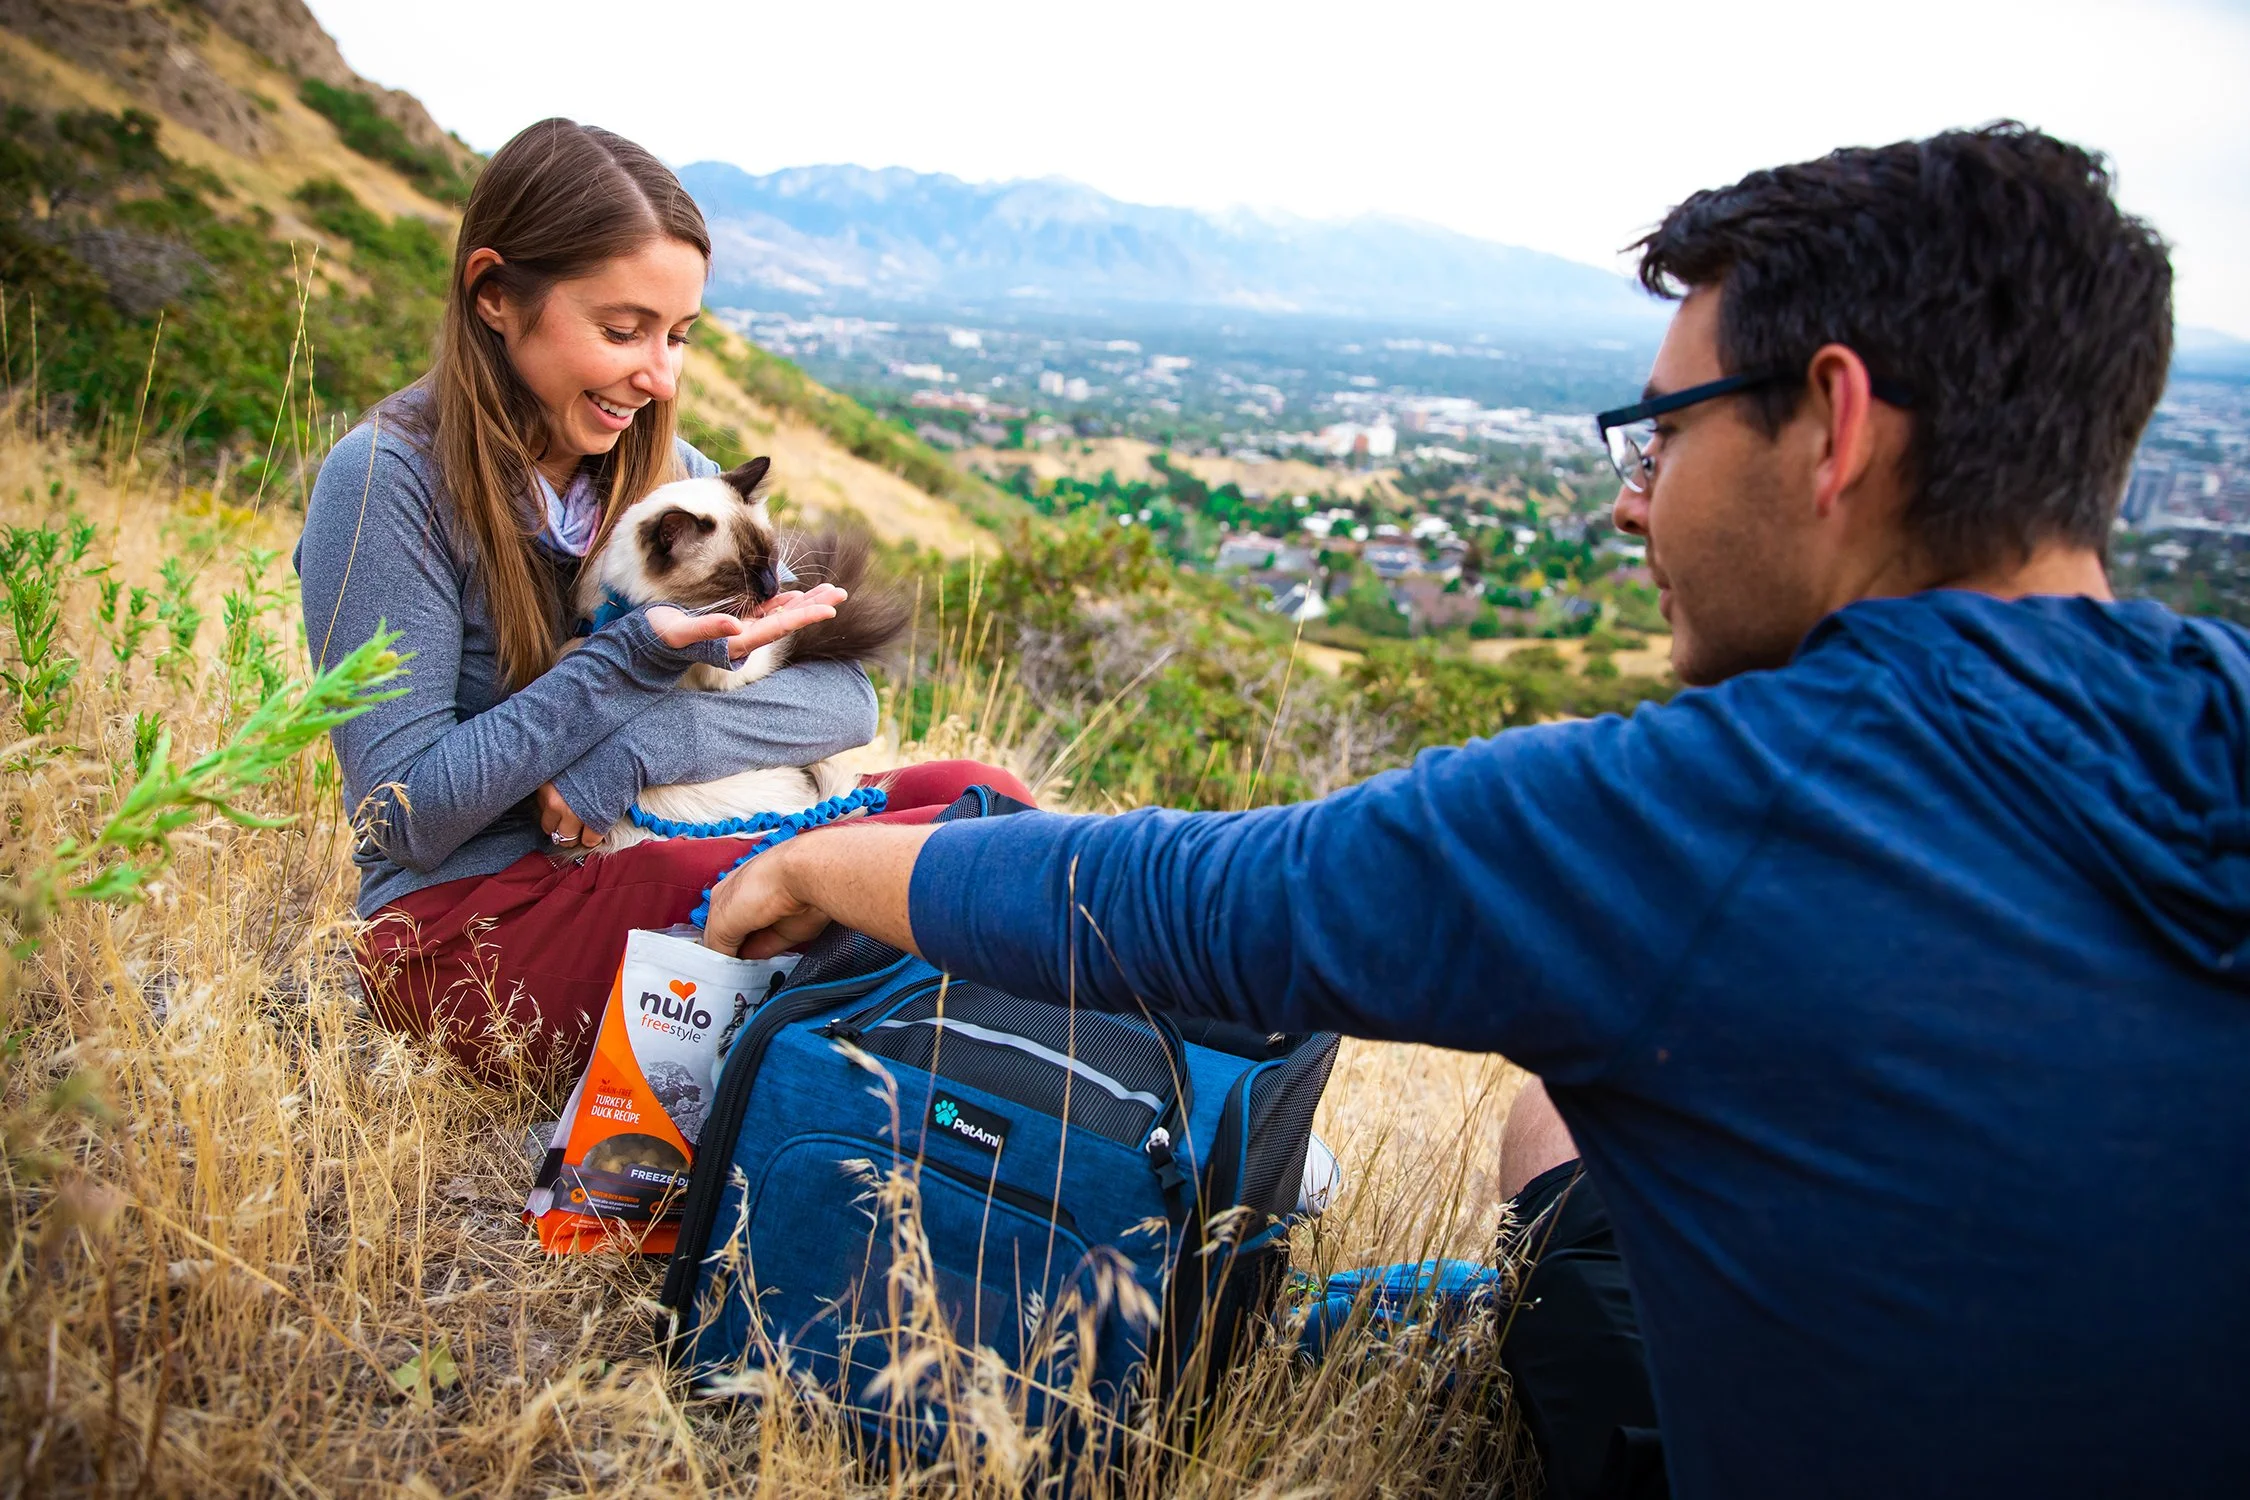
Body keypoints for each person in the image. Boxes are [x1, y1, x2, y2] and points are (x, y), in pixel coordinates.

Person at [696, 124, 2250, 1499]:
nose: (1632, 497)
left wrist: (835, 861)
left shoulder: (1705, 816)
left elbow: (1195, 905)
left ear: (1834, 425)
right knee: (1566, 1119)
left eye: (1666, 431)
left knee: (1551, 1135)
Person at [297, 118, 1029, 1079]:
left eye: (678, 337)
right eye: (622, 331)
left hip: (652, 843)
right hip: (473, 925)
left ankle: (1098, 1083)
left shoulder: (669, 475)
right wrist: (627, 659)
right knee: (914, 866)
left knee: (982, 799)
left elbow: (842, 701)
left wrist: (636, 748)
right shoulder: (385, 483)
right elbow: (404, 816)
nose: (660, 375)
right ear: (494, 295)